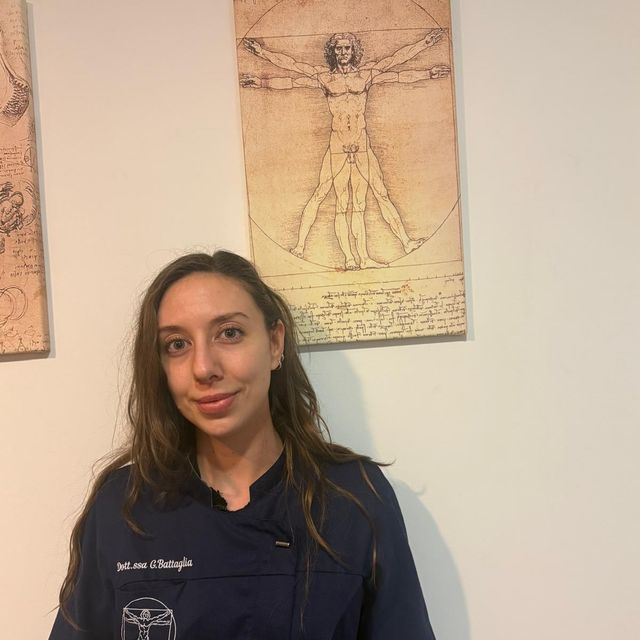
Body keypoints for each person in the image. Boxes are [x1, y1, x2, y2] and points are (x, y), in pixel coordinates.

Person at [49, 250, 436, 639]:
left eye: (229, 333)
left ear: (274, 343)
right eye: (177, 344)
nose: (204, 368)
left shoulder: (353, 498)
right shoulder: (123, 506)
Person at [242, 31, 450, 269]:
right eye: (338, 49)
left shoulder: (367, 74)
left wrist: (426, 54)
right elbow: (292, 72)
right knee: (333, 200)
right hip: (338, 145)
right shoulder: (324, 78)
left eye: (347, 48)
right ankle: (313, 250)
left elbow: (397, 68)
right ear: (333, 52)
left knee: (374, 196)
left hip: (361, 144)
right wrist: (261, 66)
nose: (343, 53)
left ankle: (400, 245)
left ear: (354, 51)